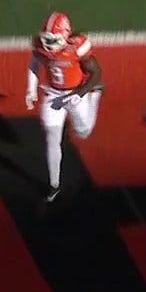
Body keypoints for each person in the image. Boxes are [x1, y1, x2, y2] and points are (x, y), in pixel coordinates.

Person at [26, 11, 105, 202]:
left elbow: (96, 72)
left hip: (76, 92)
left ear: (65, 35)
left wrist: (81, 94)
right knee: (52, 138)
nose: (48, 45)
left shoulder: (77, 47)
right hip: (53, 94)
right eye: (47, 39)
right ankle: (54, 184)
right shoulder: (41, 45)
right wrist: (31, 89)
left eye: (53, 40)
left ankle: (95, 97)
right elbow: (35, 62)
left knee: (83, 132)